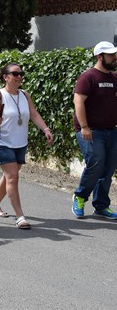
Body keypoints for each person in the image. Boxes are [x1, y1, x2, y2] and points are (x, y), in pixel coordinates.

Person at [0, 63, 53, 229]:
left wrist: (45, 129)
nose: (19, 76)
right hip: (2, 142)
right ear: (5, 77)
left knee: (9, 176)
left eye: (21, 73)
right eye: (15, 74)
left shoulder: (25, 95)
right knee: (13, 177)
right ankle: (20, 216)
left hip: (20, 142)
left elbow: (34, 114)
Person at [72, 41, 117, 220]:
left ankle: (101, 206)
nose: (114, 58)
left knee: (108, 169)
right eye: (111, 55)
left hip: (112, 131)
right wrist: (84, 126)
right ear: (100, 57)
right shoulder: (88, 77)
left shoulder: (115, 78)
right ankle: (80, 196)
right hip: (90, 131)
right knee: (96, 164)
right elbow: (78, 102)